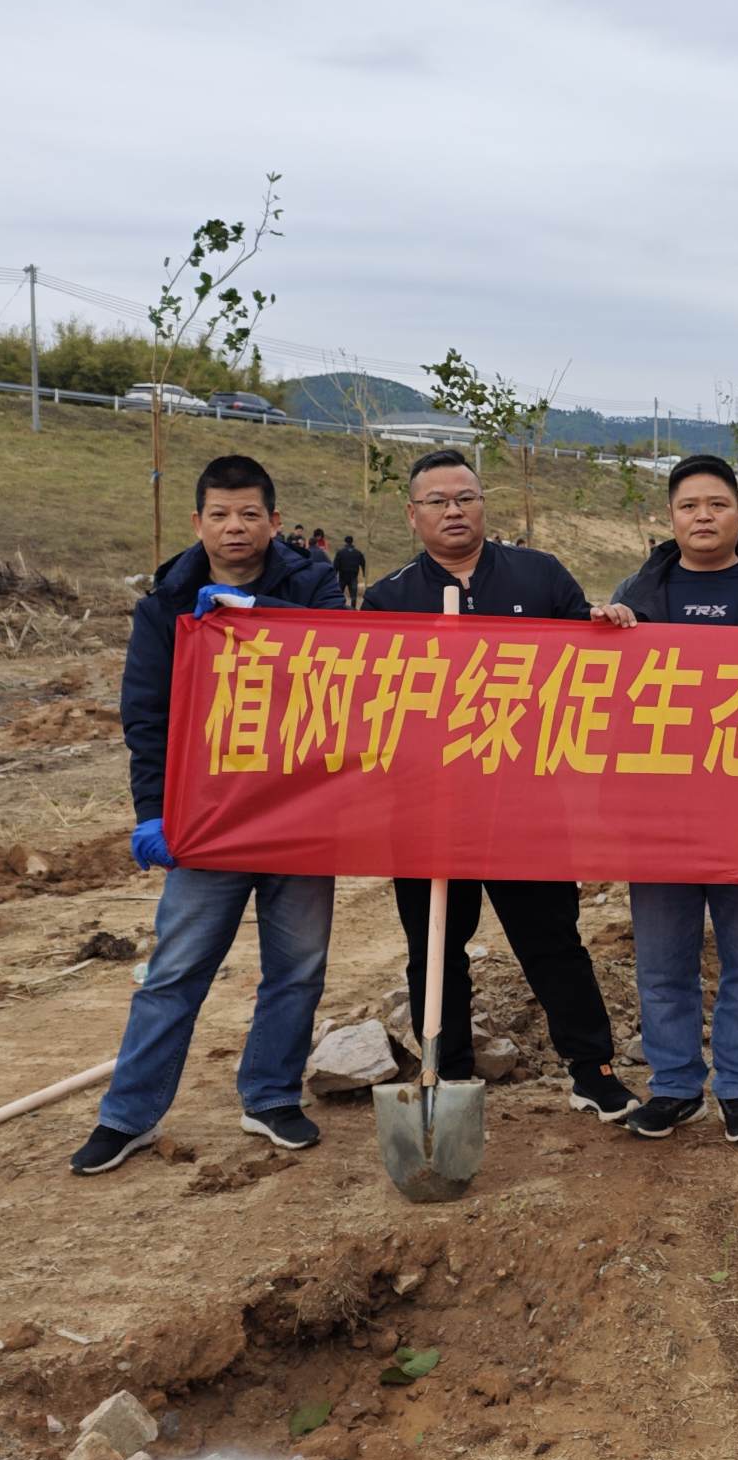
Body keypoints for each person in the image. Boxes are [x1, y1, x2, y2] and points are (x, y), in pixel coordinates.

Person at [72, 455, 347, 1175]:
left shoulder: (314, 583)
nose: (235, 527)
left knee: (298, 967)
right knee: (176, 968)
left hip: (298, 809)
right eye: (220, 515)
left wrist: (255, 617)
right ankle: (127, 1115)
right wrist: (153, 812)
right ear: (198, 522)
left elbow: (342, 649)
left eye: (250, 514)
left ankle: (271, 1096)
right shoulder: (165, 604)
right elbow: (146, 718)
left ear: (274, 522)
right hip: (208, 815)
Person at [361, 448, 639, 1122]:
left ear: (484, 504)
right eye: (437, 501)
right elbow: (370, 701)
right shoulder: (389, 598)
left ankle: (593, 1071)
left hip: (524, 801)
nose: (453, 510)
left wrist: (606, 627)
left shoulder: (539, 576)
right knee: (435, 948)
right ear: (412, 515)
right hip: (428, 807)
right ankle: (448, 1077)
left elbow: (586, 665)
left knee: (553, 940)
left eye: (466, 497)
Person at [594, 455, 738, 1144]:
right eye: (689, 505)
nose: (703, 516)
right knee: (664, 962)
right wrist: (604, 634)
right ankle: (674, 1086)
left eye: (717, 504)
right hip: (660, 810)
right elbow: (604, 695)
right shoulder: (639, 591)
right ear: (670, 516)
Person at [333, 534, 367, 607]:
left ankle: (338, 607)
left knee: (339, 594)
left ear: (345, 542)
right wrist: (364, 572)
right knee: (353, 595)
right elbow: (363, 563)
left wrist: (334, 574)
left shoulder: (340, 552)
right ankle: (353, 609)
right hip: (353, 576)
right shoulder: (358, 553)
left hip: (343, 576)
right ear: (352, 542)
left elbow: (336, 564)